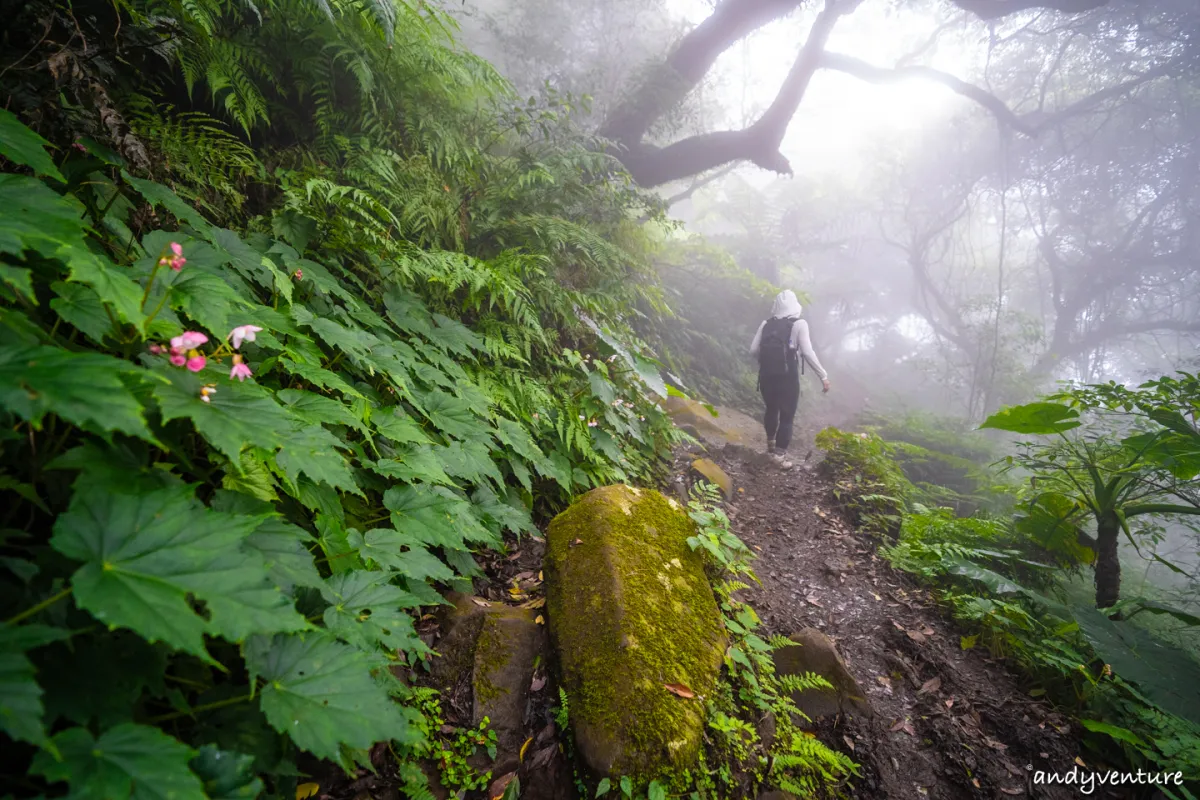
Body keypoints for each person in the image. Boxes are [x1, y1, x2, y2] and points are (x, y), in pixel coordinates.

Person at [749, 290, 830, 468]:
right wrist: (823, 376)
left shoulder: (766, 324)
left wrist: (769, 362)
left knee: (771, 409)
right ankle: (779, 456)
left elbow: (753, 350)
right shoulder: (799, 323)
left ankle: (770, 446)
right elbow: (808, 353)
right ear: (795, 305)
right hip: (788, 376)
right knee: (787, 416)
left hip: (766, 375)